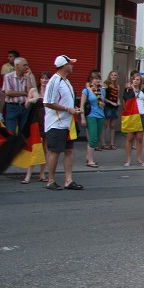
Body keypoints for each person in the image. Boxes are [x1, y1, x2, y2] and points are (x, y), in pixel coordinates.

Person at [43, 55, 83, 190]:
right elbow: (48, 102)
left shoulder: (66, 81)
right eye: (70, 64)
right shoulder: (54, 81)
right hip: (56, 123)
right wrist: (67, 109)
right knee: (55, 151)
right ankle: (51, 181)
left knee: (69, 150)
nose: (73, 66)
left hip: (68, 122)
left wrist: (74, 109)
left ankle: (68, 180)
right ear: (64, 65)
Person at [22, 71, 50, 184]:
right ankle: (28, 176)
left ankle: (42, 174)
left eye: (46, 78)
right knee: (35, 148)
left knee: (45, 149)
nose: (44, 80)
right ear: (39, 79)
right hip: (36, 121)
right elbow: (26, 105)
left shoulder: (51, 91)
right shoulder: (33, 90)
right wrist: (31, 100)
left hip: (47, 120)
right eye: (43, 78)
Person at [122, 71, 144, 167]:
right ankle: (128, 159)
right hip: (131, 116)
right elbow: (125, 100)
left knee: (140, 138)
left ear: (140, 81)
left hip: (142, 115)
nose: (136, 81)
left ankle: (139, 159)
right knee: (130, 138)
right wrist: (131, 89)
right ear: (132, 80)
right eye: (134, 79)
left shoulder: (143, 91)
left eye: (138, 80)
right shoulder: (128, 90)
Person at [1, 55, 33, 135]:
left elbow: (30, 92)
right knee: (10, 131)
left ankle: (21, 147)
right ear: (17, 66)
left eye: (27, 65)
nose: (27, 67)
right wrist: (24, 93)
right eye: (24, 65)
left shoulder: (28, 76)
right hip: (12, 106)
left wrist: (28, 77)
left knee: (23, 132)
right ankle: (11, 147)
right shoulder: (8, 76)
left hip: (25, 106)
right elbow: (8, 92)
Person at [79, 72, 105, 168]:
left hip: (101, 115)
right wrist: (82, 118)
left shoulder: (102, 91)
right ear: (91, 80)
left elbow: (103, 102)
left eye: (99, 78)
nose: (97, 80)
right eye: (95, 79)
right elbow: (81, 105)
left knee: (96, 138)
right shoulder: (86, 91)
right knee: (93, 137)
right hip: (91, 115)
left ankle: (88, 156)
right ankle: (90, 160)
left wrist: (103, 104)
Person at [102, 70, 120, 150]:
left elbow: (117, 96)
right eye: (112, 75)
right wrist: (111, 102)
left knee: (112, 126)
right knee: (105, 125)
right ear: (109, 76)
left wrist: (118, 101)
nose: (113, 76)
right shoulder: (105, 84)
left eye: (115, 75)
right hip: (108, 106)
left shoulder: (117, 86)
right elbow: (103, 97)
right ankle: (103, 143)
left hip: (115, 107)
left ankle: (112, 143)